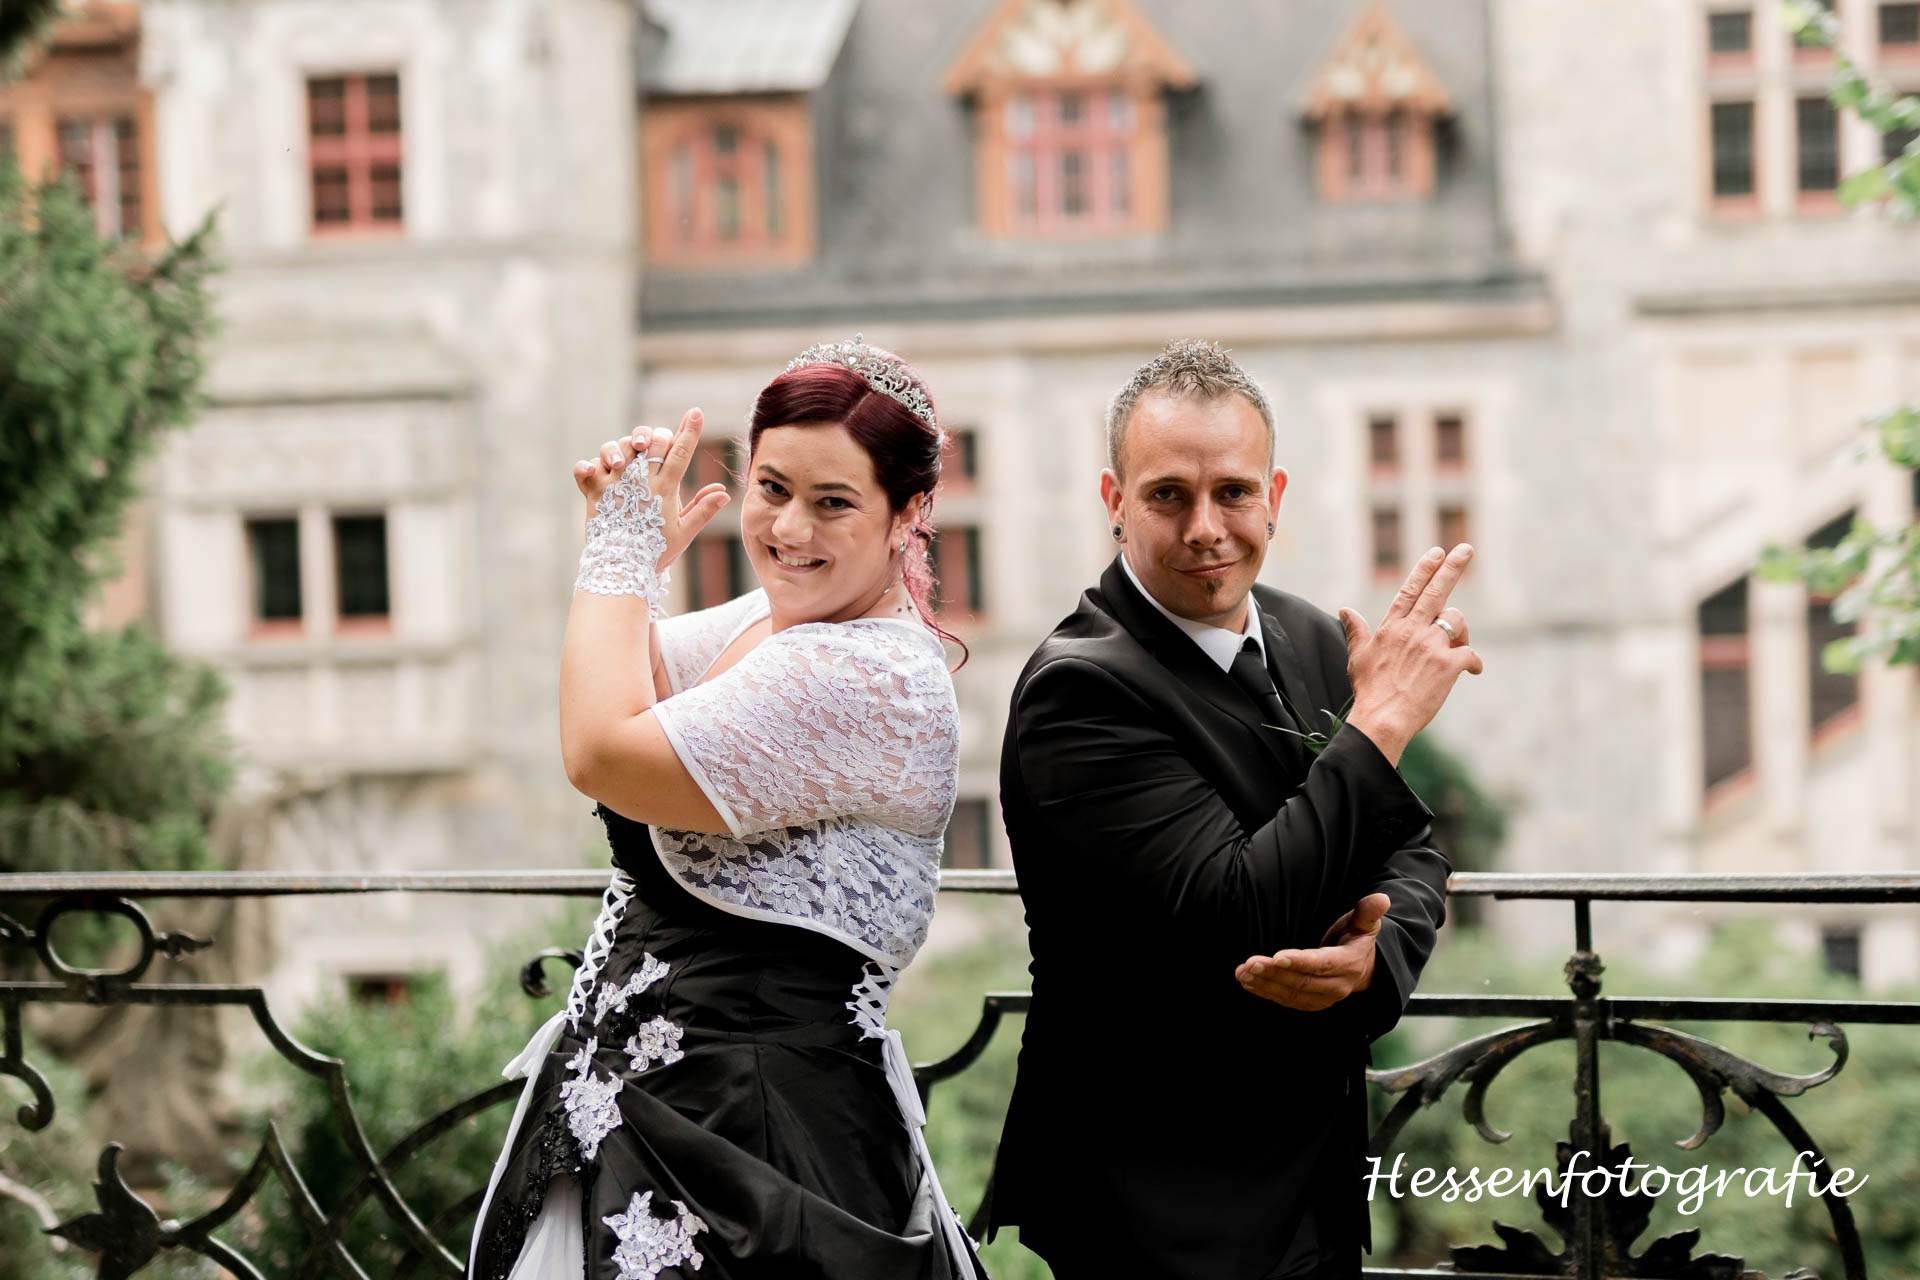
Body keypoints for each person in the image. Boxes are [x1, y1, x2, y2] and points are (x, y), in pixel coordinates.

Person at [467, 337, 984, 1280]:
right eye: (772, 488)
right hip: (648, 1112)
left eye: (833, 503)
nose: (790, 529)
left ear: (908, 514)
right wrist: (640, 559)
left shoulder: (865, 671)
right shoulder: (773, 622)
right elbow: (617, 674)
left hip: (766, 1144)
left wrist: (620, 554)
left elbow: (600, 749)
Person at [987, 340, 1478, 1280]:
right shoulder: (1077, 692)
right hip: (1155, 1197)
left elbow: (1408, 845)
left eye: (1234, 493)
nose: (1207, 527)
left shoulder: (1306, 633)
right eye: (1168, 494)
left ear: (1275, 496)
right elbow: (1237, 913)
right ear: (1114, 502)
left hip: (1315, 1172)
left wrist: (1379, 959)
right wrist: (1378, 723)